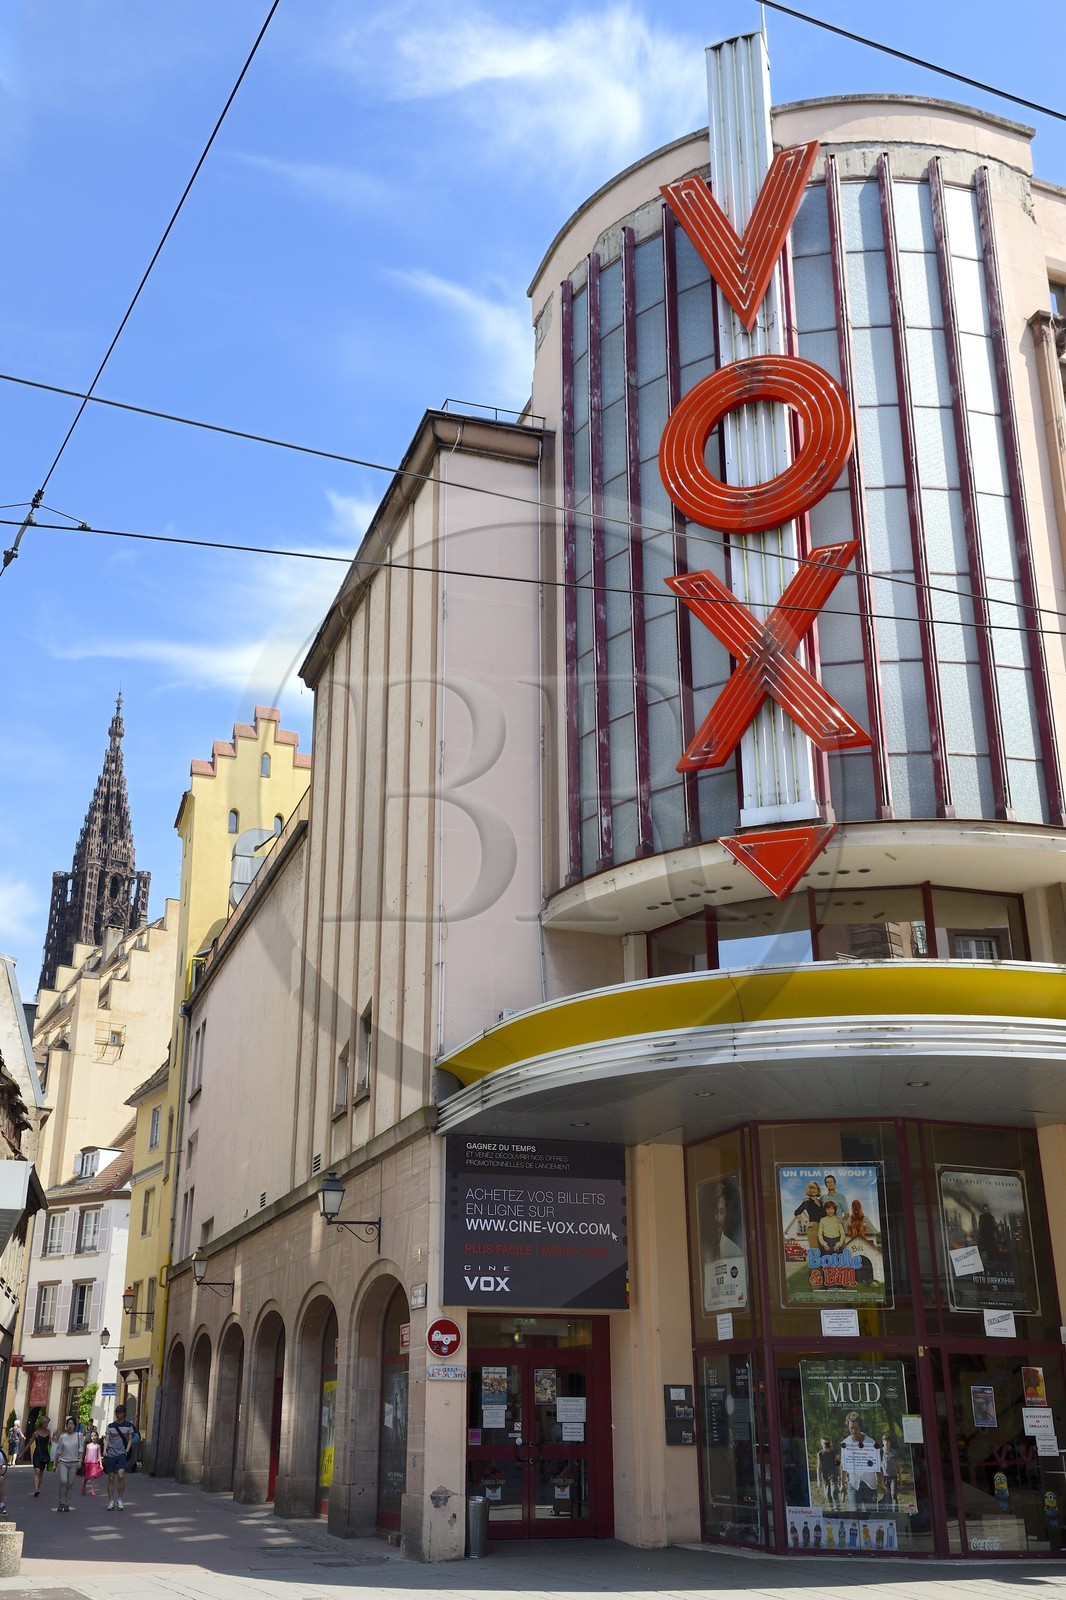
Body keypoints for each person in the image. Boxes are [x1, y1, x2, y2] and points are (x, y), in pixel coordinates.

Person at [840, 1411, 880, 1513]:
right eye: (851, 1428)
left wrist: (881, 1481)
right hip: (853, 1483)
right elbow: (844, 1465)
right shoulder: (845, 1443)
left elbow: (877, 1465)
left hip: (869, 1484)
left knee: (871, 1514)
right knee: (854, 1512)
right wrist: (842, 1483)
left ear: (860, 1427)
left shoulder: (871, 1443)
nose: (853, 1431)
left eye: (856, 1428)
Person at [103, 1406, 135, 1510]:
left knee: (121, 1476)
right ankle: (111, 1500)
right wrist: (104, 1450)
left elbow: (130, 1439)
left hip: (122, 1453)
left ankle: (120, 1499)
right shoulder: (110, 1426)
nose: (118, 1414)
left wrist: (127, 1450)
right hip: (111, 1454)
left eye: (120, 1413)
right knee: (111, 1477)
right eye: (117, 1412)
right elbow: (107, 1439)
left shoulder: (128, 1425)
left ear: (124, 1414)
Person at [52, 1417, 82, 1512]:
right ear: (66, 1425)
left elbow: (81, 1449)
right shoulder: (62, 1437)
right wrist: (55, 1463)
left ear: (75, 1426)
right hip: (63, 1462)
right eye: (68, 1424)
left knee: (70, 1484)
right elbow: (58, 1451)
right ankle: (61, 1501)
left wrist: (80, 1460)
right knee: (63, 1481)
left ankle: (67, 1503)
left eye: (72, 1424)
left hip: (74, 1462)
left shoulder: (79, 1435)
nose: (70, 1426)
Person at [794, 1182, 825, 1251]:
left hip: (823, 1228)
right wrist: (806, 1224)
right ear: (809, 1190)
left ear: (818, 1190)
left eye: (815, 1188)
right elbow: (797, 1212)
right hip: (813, 1228)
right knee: (815, 1251)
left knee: (823, 1251)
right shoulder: (807, 1202)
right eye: (811, 1188)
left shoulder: (821, 1202)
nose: (813, 1190)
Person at [27, 1415, 51, 1496]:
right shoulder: (36, 1433)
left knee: (41, 1472)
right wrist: (22, 1453)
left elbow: (49, 1444)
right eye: (46, 1422)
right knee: (37, 1471)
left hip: (45, 1453)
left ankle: (37, 1489)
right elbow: (29, 1444)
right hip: (37, 1454)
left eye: (48, 1422)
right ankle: (36, 1489)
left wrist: (53, 1439)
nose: (47, 1424)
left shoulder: (48, 1432)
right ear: (42, 1423)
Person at [816, 1436, 840, 1506]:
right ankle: (831, 1508)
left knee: (834, 1492)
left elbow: (837, 1463)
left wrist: (839, 1474)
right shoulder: (820, 1454)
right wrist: (818, 1480)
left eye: (827, 1443)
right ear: (821, 1444)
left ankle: (837, 1507)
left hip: (833, 1474)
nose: (826, 1445)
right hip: (825, 1475)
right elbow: (818, 1467)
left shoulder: (833, 1452)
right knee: (827, 1494)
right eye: (824, 1443)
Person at [880, 1433, 900, 1510]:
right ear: (882, 1442)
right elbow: (878, 1466)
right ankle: (888, 1510)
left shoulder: (894, 1452)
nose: (886, 1443)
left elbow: (898, 1465)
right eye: (885, 1441)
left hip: (893, 1476)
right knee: (886, 1495)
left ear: (890, 1442)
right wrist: (880, 1479)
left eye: (888, 1441)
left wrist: (900, 1479)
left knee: (893, 1494)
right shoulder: (880, 1452)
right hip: (884, 1477)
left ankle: (896, 1510)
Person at [81, 1427, 103, 1497]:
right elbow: (86, 1454)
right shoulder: (88, 1445)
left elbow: (99, 1455)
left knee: (93, 1477)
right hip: (88, 1463)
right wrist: (84, 1460)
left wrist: (101, 1464)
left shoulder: (98, 1446)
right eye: (92, 1436)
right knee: (86, 1477)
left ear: (97, 1437)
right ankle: (84, 1486)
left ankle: (93, 1490)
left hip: (94, 1463)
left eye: (94, 1435)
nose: (93, 1437)